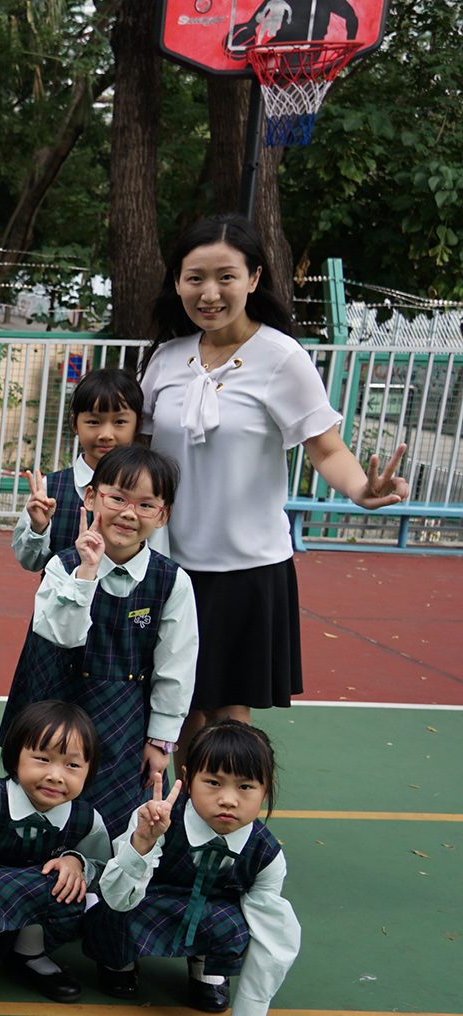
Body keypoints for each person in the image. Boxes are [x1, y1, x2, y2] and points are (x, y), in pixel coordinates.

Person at [142, 214, 407, 740]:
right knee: (175, 711)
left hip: (246, 567)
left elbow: (326, 447)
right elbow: (140, 453)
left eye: (226, 276)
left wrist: (362, 489)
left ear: (254, 279)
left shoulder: (283, 358)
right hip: (167, 563)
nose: (210, 292)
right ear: (177, 282)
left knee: (227, 717)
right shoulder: (167, 359)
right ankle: (179, 799)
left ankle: (229, 801)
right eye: (195, 278)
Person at [0, 446, 197, 827]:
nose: (128, 513)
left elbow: (177, 666)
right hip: (53, 702)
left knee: (115, 822)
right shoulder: (62, 566)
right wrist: (86, 574)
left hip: (121, 715)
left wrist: (161, 739)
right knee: (38, 810)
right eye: (117, 498)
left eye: (146, 505)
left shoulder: (172, 582)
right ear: (91, 497)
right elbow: (62, 634)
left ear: (163, 515)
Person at [85, 721, 300, 1016]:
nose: (228, 799)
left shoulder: (266, 854)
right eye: (213, 782)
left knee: (241, 921)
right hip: (149, 902)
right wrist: (142, 843)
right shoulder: (155, 819)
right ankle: (118, 959)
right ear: (187, 777)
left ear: (266, 789)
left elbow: (273, 938)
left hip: (214, 916)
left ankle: (206, 965)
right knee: (119, 903)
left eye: (246, 786)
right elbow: (115, 896)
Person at [0, 701, 110, 1003]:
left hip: (31, 897)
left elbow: (101, 866)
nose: (56, 775)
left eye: (72, 765)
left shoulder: (87, 819)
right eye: (42, 759)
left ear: (90, 772)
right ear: (15, 758)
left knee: (67, 884)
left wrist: (77, 862)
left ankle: (29, 953)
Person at [12, 367, 160, 573]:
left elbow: (158, 561)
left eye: (119, 422)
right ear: (75, 424)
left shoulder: (149, 491)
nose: (106, 434)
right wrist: (38, 528)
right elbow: (29, 562)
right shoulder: (49, 490)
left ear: (138, 424)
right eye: (93, 422)